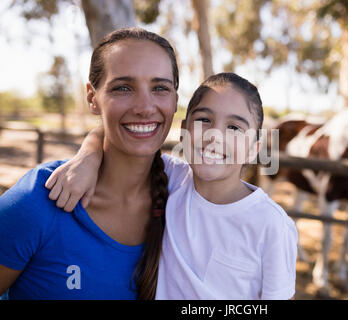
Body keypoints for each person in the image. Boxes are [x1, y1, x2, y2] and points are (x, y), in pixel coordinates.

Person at [46, 72, 298, 299]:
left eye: (233, 127)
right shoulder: (173, 178)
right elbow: (111, 135)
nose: (214, 136)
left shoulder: (271, 225)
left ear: (254, 149)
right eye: (203, 120)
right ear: (183, 133)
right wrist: (88, 156)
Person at [0, 27, 183, 299]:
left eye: (160, 88)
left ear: (175, 100)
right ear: (92, 98)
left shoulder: (187, 200)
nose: (145, 106)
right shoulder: (40, 198)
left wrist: (92, 147)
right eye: (123, 88)